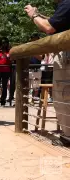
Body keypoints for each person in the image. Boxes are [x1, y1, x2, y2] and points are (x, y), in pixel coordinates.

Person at [25, 0, 70, 146]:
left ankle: (68, 136)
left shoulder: (67, 3)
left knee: (62, 96)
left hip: (66, 57)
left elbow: (48, 27)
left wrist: (33, 15)